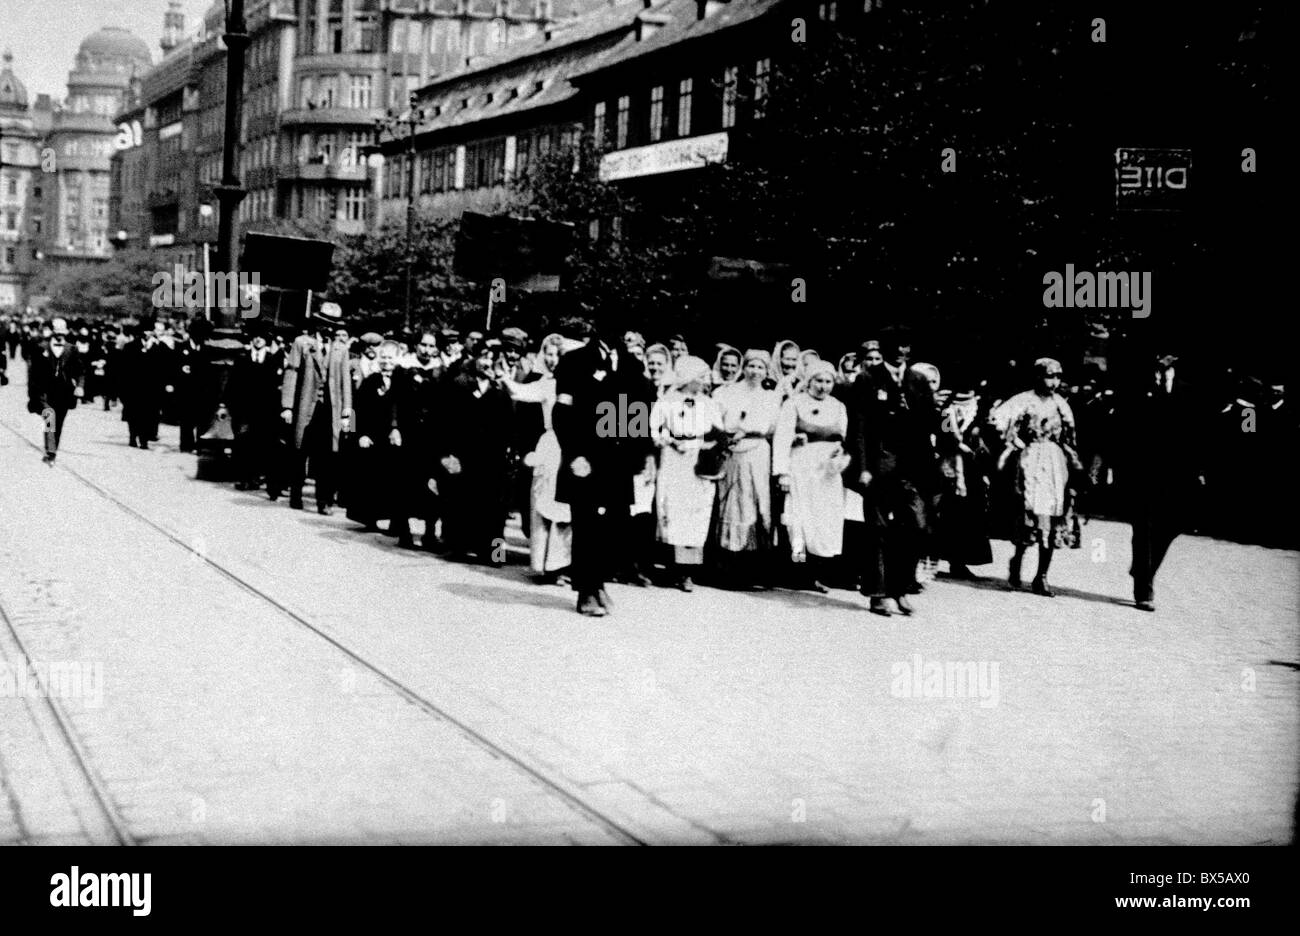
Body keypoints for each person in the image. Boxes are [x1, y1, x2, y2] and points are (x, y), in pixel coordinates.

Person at [552, 318, 656, 616]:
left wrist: (643, 454)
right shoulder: (574, 361)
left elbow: (636, 413)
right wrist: (574, 455)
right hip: (585, 459)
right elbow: (562, 413)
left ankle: (598, 582)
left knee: (616, 526)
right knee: (586, 526)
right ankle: (586, 589)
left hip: (618, 461)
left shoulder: (630, 365)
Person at [1113, 349, 1206, 611]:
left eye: (1167, 353)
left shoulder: (1188, 390)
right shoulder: (1135, 388)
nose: (1160, 357)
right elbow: (1121, 427)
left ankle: (1144, 568)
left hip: (1176, 473)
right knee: (1143, 529)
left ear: (1175, 358)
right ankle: (1144, 589)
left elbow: (1198, 432)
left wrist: (1198, 469)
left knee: (1172, 524)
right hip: (1141, 471)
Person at [849, 337, 929, 616]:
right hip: (878, 464)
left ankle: (901, 587)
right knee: (878, 529)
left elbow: (929, 421)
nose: (900, 352)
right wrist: (862, 467)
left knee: (916, 526)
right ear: (884, 351)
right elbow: (858, 426)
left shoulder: (918, 380)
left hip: (911, 467)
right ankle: (878, 593)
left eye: (905, 347)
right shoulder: (867, 378)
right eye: (894, 347)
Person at [997, 357, 1082, 596]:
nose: (1053, 381)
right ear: (1037, 376)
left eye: (1057, 376)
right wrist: (1015, 441)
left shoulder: (1061, 405)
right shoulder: (1023, 400)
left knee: (1052, 516)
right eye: (1048, 376)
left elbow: (1070, 436)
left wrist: (1074, 465)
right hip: (1030, 458)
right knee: (1029, 513)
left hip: (1054, 461)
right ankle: (1018, 560)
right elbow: (998, 421)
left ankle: (1041, 575)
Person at [432, 342, 515, 564]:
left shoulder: (500, 389)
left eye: (492, 359)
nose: (487, 362)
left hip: (492, 458)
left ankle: (495, 553)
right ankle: (457, 547)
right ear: (475, 358)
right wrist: (447, 455)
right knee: (461, 502)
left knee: (494, 510)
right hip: (464, 454)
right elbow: (444, 423)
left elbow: (509, 424)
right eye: (484, 357)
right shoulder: (459, 385)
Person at [502, 333, 574, 581]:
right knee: (543, 504)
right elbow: (518, 392)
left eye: (559, 355)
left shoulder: (580, 384)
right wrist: (501, 375)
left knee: (567, 509)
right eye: (549, 354)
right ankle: (542, 564)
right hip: (550, 445)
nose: (554, 360)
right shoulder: (546, 384)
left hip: (573, 447)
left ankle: (561, 564)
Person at [773, 359, 850, 592]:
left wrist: (840, 455)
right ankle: (797, 572)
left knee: (823, 521)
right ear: (809, 381)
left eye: (828, 381)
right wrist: (782, 473)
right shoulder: (794, 403)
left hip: (827, 473)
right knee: (799, 521)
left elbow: (845, 439)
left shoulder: (838, 406)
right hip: (801, 469)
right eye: (818, 380)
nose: (823, 386)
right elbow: (782, 439)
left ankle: (816, 573)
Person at [650, 355, 725, 592]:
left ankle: (688, 572)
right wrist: (670, 440)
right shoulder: (667, 400)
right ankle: (671, 567)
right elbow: (654, 428)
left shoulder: (708, 403)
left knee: (696, 512)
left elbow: (718, 433)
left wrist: (707, 444)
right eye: (701, 377)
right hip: (674, 459)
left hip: (698, 461)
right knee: (673, 509)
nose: (705, 381)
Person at [712, 349, 780, 587]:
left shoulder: (771, 397)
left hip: (758, 452)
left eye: (760, 367)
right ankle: (728, 568)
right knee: (733, 504)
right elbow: (716, 421)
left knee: (758, 503)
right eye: (751, 366)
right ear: (744, 367)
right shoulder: (727, 393)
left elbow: (772, 428)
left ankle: (755, 570)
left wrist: (750, 431)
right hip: (733, 452)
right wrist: (728, 438)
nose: (755, 372)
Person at [281, 316, 354, 514]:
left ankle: (324, 500)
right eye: (324, 323)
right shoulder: (302, 344)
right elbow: (291, 373)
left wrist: (348, 412)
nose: (328, 327)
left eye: (332, 324)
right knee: (299, 450)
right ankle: (296, 493)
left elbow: (346, 382)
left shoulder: (341, 349)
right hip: (306, 407)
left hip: (330, 410)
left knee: (327, 456)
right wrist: (287, 406)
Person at [933, 386, 994, 578]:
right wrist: (959, 445)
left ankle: (959, 561)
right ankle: (939, 559)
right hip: (950, 465)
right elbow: (944, 437)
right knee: (948, 512)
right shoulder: (946, 411)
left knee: (970, 513)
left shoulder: (979, 409)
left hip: (972, 468)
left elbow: (986, 436)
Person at [348, 341, 406, 534]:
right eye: (383, 358)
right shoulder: (370, 380)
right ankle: (370, 519)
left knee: (396, 481)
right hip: (372, 437)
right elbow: (357, 409)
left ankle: (396, 523)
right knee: (371, 480)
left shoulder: (403, 380)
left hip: (396, 439)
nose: (386, 362)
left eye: (390, 358)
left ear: (397, 359)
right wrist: (359, 434)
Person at [393, 330, 444, 549]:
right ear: (416, 345)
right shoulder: (402, 368)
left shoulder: (441, 371)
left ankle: (429, 533)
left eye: (432, 346)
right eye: (423, 344)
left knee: (432, 483)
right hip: (408, 431)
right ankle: (404, 532)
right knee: (405, 480)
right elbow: (394, 400)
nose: (427, 350)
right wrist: (394, 427)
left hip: (431, 434)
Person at [232, 322, 286, 496]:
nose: (258, 340)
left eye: (262, 338)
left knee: (260, 443)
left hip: (265, 410)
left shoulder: (273, 360)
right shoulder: (243, 358)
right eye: (255, 337)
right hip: (245, 409)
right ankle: (242, 476)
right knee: (243, 442)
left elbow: (277, 387)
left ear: (267, 341)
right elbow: (234, 383)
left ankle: (255, 476)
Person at [26, 318, 85, 465]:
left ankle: (53, 448)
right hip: (45, 391)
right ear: (52, 332)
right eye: (57, 332)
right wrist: (33, 393)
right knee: (49, 418)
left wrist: (80, 386)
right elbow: (33, 373)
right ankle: (50, 450)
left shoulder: (72, 349)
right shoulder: (41, 348)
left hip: (64, 393)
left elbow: (80, 371)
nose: (59, 336)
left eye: (62, 333)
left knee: (58, 423)